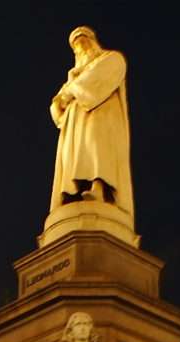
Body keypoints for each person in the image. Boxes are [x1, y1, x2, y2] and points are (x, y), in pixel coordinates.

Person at [49, 26, 134, 220]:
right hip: (74, 124)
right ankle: (72, 193)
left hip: (101, 117)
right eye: (76, 46)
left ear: (93, 41)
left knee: (98, 151)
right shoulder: (73, 76)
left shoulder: (112, 59)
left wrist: (72, 89)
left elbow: (94, 85)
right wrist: (64, 96)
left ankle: (99, 187)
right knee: (73, 156)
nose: (81, 48)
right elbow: (56, 106)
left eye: (84, 41)